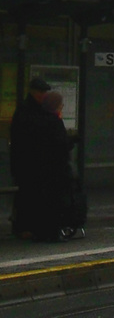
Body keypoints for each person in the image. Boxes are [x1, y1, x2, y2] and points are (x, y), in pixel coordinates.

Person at [26, 90, 81, 243]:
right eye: (60, 105)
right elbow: (60, 145)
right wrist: (72, 140)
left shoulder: (37, 120)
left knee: (41, 201)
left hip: (39, 168)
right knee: (55, 202)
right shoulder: (54, 122)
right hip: (55, 169)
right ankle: (52, 233)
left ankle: (40, 232)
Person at [9, 76, 51, 237]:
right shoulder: (27, 110)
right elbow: (27, 138)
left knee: (31, 194)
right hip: (27, 161)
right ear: (33, 92)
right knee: (26, 194)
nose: (43, 95)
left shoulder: (33, 109)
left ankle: (28, 225)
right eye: (41, 92)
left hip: (32, 161)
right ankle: (22, 226)